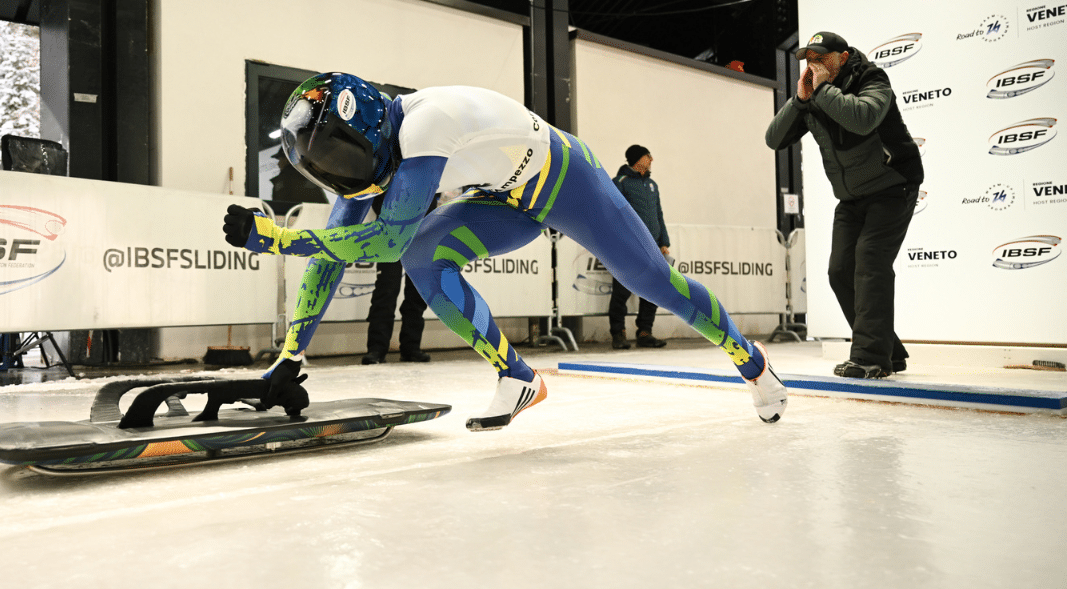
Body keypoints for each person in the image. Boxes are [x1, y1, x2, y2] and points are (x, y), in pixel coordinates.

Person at [223, 73, 786, 429]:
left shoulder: (425, 127)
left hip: (564, 177)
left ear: (367, 130)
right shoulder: (375, 153)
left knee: (651, 282)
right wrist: (289, 357)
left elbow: (385, 240)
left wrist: (277, 238)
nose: (341, 177)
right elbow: (331, 255)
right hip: (500, 198)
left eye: (343, 160)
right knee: (425, 256)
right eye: (327, 168)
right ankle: (517, 379)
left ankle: (752, 362)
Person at [765, 31, 923, 379]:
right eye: (809, 59)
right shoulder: (814, 94)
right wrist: (799, 100)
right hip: (852, 198)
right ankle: (889, 351)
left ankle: (870, 357)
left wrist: (822, 91)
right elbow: (773, 139)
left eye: (821, 58)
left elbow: (863, 118)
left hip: (893, 185)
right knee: (840, 272)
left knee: (870, 261)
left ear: (842, 56)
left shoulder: (872, 78)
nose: (813, 65)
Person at [608, 144, 670, 350]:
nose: (651, 159)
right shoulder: (620, 183)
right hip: (628, 247)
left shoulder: (653, 185)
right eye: (647, 156)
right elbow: (613, 215)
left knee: (652, 290)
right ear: (636, 159)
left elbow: (658, 215)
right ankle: (618, 333)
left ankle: (645, 332)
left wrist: (664, 242)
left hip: (652, 248)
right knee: (622, 291)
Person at [361, 194, 433, 365]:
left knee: (417, 291)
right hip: (390, 227)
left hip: (422, 228)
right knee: (386, 287)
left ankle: (411, 348)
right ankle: (377, 349)